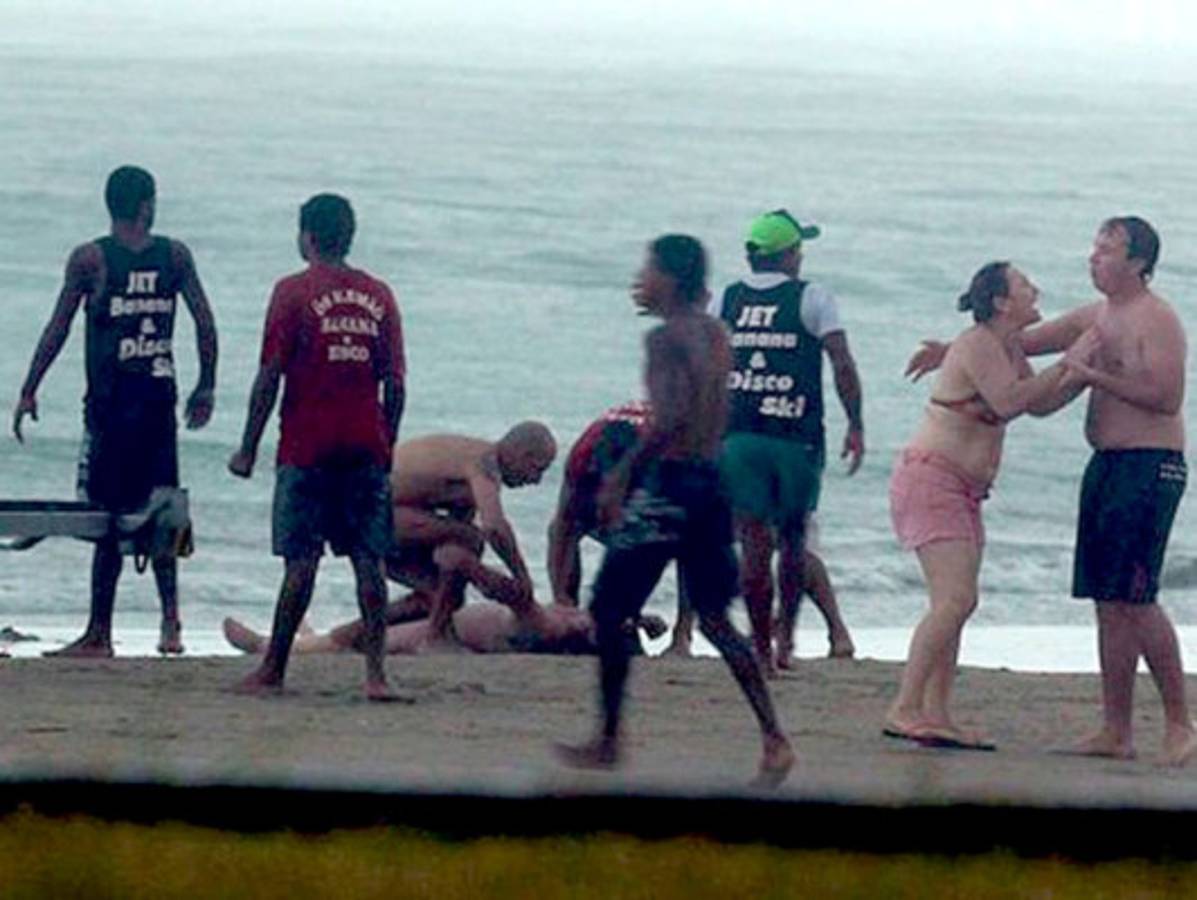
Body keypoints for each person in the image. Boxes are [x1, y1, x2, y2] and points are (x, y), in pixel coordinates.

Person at [905, 218, 1197, 766]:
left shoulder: (1156, 318)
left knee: (1136, 597)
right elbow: (1014, 341)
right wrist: (953, 350)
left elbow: (1164, 396)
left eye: (1107, 251)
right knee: (1106, 601)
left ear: (1137, 263)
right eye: (1094, 248)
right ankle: (1116, 729)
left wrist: (1091, 374)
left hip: (1150, 465)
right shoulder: (1097, 315)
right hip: (1106, 464)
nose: (1094, 258)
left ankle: (1181, 723)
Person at [555, 234, 794, 787]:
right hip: (713, 485)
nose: (641, 278)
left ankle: (610, 738)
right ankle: (774, 738)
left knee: (608, 608)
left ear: (673, 278)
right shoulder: (715, 333)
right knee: (714, 619)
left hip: (670, 487)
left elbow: (669, 415)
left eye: (650, 269)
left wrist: (621, 474)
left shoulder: (666, 339)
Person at [12, 165, 218, 657]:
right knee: (163, 509)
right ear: (145, 204)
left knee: (108, 515)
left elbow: (58, 325)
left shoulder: (91, 260)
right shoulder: (173, 256)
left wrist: (29, 389)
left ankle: (101, 632)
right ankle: (169, 624)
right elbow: (205, 323)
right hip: (155, 403)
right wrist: (204, 386)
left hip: (111, 408)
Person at [885, 262, 1075, 749]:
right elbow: (1011, 401)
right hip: (933, 479)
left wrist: (1084, 373)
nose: (1037, 291)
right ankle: (905, 708)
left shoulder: (1006, 345)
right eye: (1026, 286)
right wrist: (1069, 363)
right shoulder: (976, 344)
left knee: (956, 603)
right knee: (955, 600)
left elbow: (1040, 403)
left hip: (964, 490)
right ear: (1001, 302)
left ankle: (936, 713)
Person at [228, 193, 404, 701]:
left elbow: (270, 376)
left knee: (301, 562)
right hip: (364, 448)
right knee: (369, 562)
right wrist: (386, 443)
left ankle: (274, 670)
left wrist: (248, 448)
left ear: (307, 236)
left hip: (307, 448)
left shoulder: (292, 292)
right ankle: (376, 675)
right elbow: (395, 384)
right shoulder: (380, 296)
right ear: (348, 237)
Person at [713, 208, 864, 675]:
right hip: (794, 438)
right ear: (789, 255)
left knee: (753, 544)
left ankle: (759, 648)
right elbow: (840, 361)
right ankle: (785, 642)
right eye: (798, 249)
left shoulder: (728, 298)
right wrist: (855, 422)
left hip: (738, 435)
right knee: (793, 542)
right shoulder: (812, 297)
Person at [222, 545, 668, 657]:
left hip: (451, 631)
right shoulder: (581, 620)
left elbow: (516, 596)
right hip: (456, 619)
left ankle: (275, 645)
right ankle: (307, 634)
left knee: (369, 641)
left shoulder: (553, 629)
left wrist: (470, 567)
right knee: (376, 628)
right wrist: (641, 619)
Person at [382, 424, 557, 642]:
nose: (535, 481)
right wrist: (521, 578)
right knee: (471, 538)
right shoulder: (485, 463)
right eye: (536, 469)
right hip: (370, 514)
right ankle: (436, 637)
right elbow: (494, 528)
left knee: (441, 595)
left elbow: (452, 549)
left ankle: (353, 635)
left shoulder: (466, 481)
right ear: (522, 455)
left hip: (384, 516)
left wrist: (475, 574)